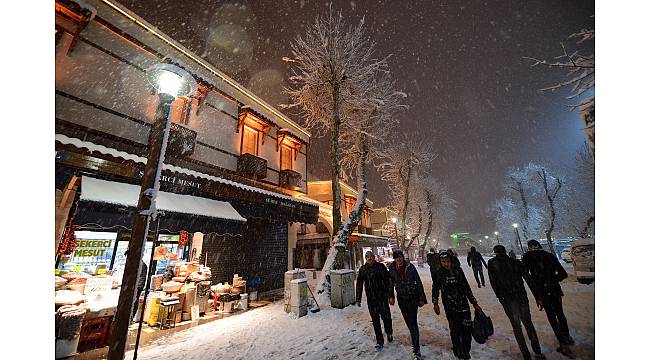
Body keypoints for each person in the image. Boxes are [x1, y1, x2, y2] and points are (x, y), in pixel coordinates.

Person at [488, 245, 545, 360]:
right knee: (528, 324)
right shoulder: (515, 262)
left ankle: (526, 354)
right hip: (521, 296)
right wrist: (537, 296)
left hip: (508, 299)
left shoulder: (492, 263)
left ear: (495, 252)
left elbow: (493, 282)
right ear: (505, 251)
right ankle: (538, 352)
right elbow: (528, 279)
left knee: (516, 326)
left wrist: (500, 296)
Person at [522, 240, 575, 359]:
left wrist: (538, 289)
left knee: (551, 316)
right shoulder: (549, 255)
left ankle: (562, 343)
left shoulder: (527, 257)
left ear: (529, 247)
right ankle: (567, 337)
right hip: (555, 290)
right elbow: (563, 274)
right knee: (560, 314)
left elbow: (527, 277)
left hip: (542, 292)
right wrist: (552, 279)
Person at [432, 250, 482, 360]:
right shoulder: (439, 274)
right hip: (450, 306)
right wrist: (435, 303)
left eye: (447, 261)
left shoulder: (458, 271)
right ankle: (458, 350)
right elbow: (435, 288)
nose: (446, 263)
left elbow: (466, 287)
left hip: (463, 304)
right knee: (455, 330)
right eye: (443, 261)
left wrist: (474, 303)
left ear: (451, 261)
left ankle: (465, 350)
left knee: (467, 328)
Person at [387, 249, 427, 360]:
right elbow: (390, 284)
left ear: (402, 257)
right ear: (394, 259)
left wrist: (421, 298)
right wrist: (391, 296)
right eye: (396, 258)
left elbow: (418, 282)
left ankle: (416, 349)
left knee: (413, 322)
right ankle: (415, 339)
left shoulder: (410, 267)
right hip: (402, 299)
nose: (398, 260)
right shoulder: (392, 268)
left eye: (400, 257)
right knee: (409, 322)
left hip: (412, 298)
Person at [356, 251, 394, 350]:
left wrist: (390, 295)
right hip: (371, 299)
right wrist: (358, 299)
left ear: (374, 257)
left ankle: (389, 332)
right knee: (375, 320)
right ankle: (379, 340)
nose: (369, 259)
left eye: (371, 257)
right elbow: (359, 285)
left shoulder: (380, 267)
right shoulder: (363, 269)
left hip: (382, 297)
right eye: (367, 257)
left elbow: (388, 280)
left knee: (386, 317)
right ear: (365, 258)